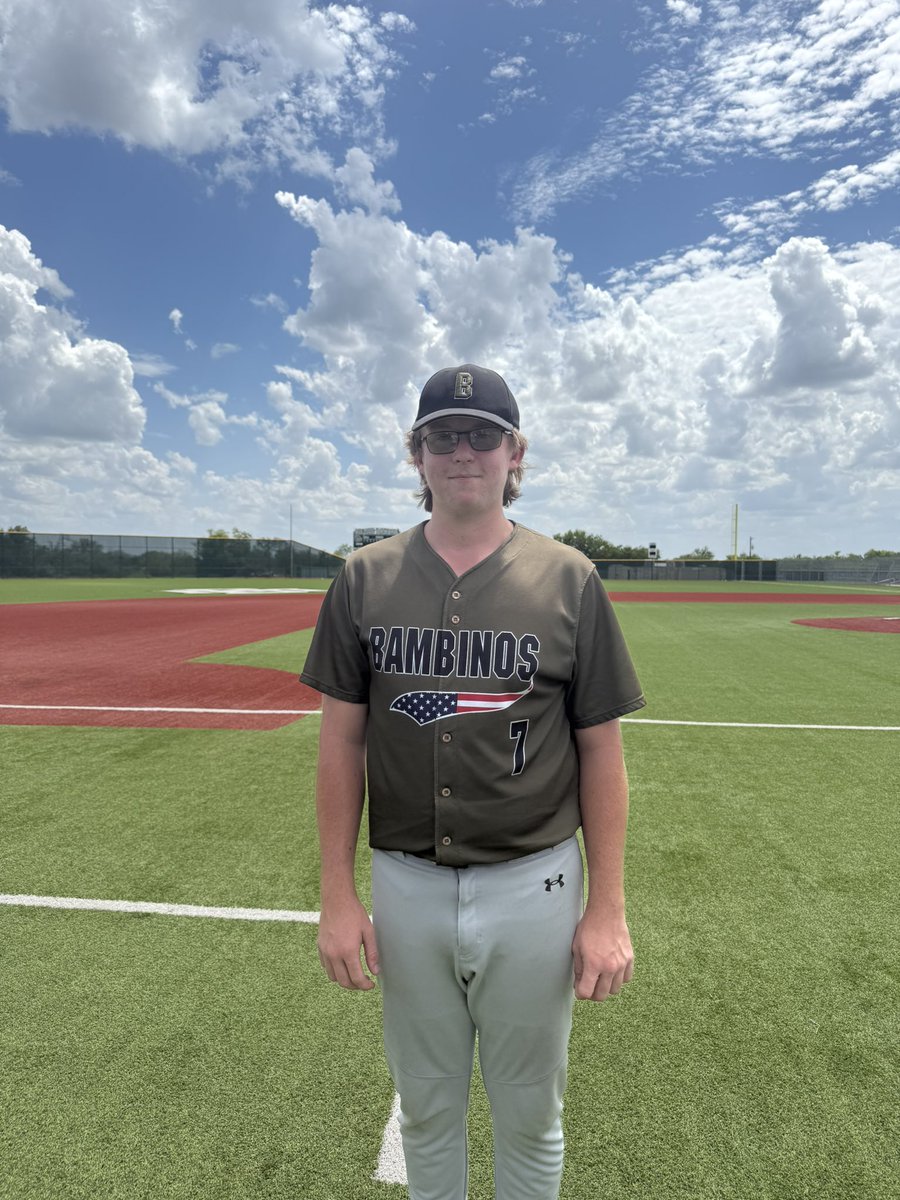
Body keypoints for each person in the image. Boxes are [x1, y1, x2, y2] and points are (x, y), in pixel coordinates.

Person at [300, 363, 645, 1200]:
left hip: (534, 883)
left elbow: (602, 750)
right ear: (416, 454)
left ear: (514, 451)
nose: (464, 451)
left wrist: (608, 908)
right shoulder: (364, 577)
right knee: (426, 1112)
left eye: (482, 434)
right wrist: (338, 895)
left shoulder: (569, 578)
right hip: (406, 882)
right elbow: (341, 743)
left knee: (532, 1116)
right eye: (443, 435)